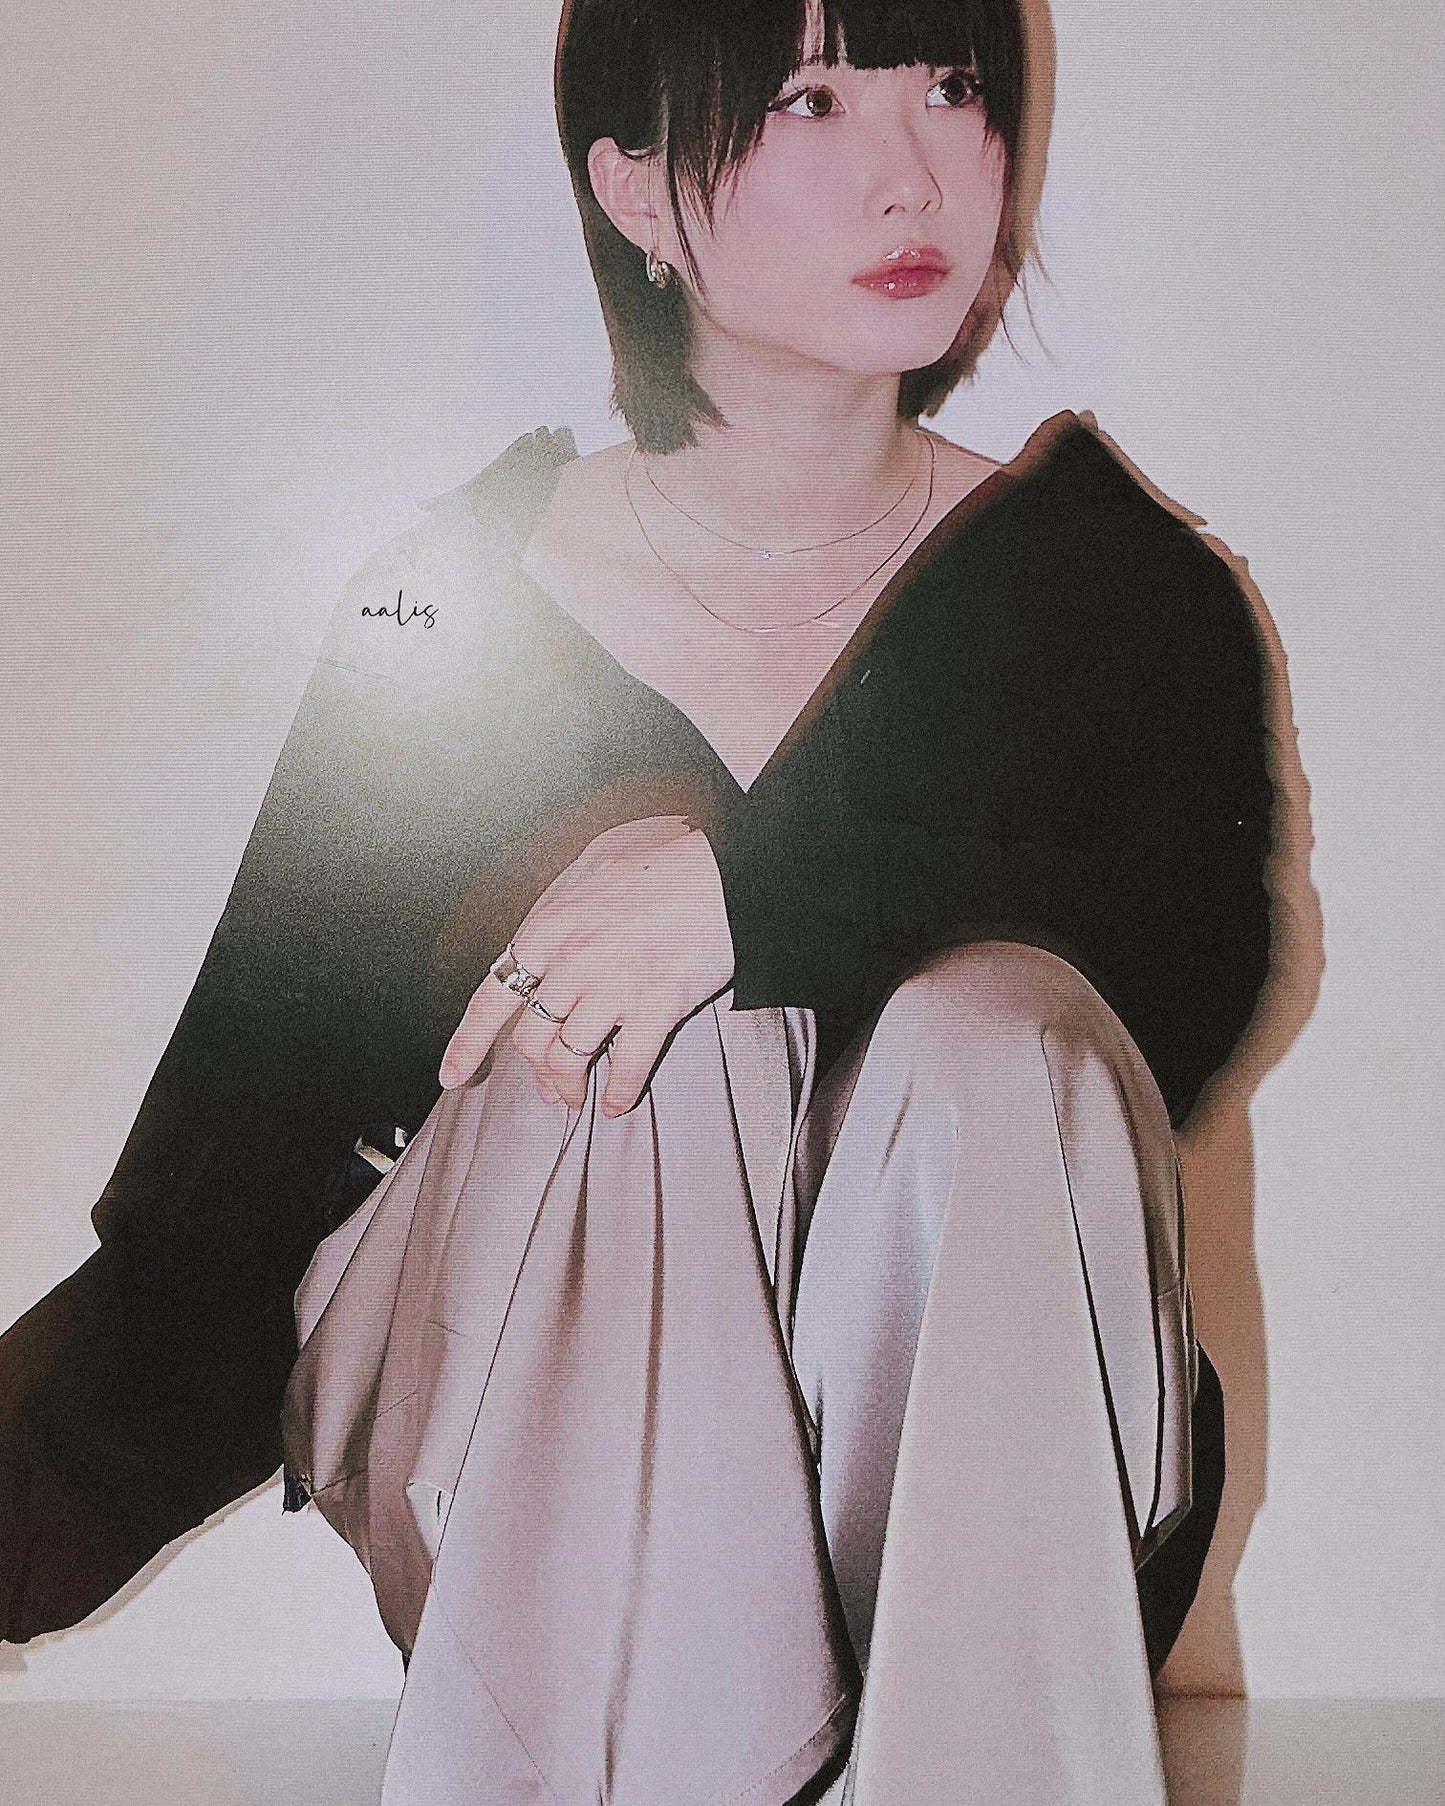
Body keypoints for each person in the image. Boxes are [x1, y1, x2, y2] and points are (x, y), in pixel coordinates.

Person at [0, 1, 1271, 1800]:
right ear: (637, 191)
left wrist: (752, 899)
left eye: (950, 86)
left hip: (985, 1500)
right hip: (529, 1482)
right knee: (627, 1043)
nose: (913, 169)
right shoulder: (446, 600)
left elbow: (1191, 965)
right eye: (811, 99)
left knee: (996, 1029)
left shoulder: (1113, 591)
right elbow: (246, 1137)